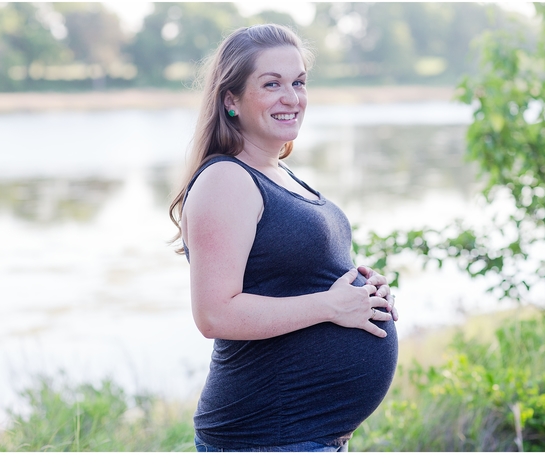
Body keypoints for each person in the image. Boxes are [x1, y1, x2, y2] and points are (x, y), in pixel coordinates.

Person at [169, 24, 399, 452]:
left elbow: (295, 277)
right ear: (231, 100)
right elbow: (214, 314)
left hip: (306, 438)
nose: (291, 98)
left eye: (298, 82)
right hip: (265, 439)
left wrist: (365, 293)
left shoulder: (279, 174)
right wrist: (331, 305)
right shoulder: (226, 179)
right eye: (271, 84)